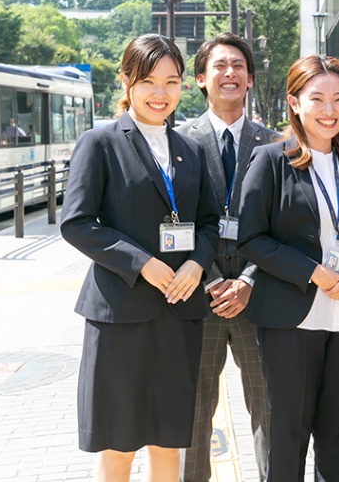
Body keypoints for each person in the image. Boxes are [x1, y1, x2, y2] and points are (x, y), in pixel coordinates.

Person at [61, 34, 221, 482]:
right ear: (126, 81)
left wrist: (196, 263)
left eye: (171, 82)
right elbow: (77, 223)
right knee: (118, 445)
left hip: (178, 313)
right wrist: (141, 263)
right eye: (148, 81)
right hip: (121, 317)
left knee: (169, 443)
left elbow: (210, 222)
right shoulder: (100, 143)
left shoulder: (189, 148)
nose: (160, 94)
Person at [237, 54, 339, 482]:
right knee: (289, 434)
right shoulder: (271, 161)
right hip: (290, 317)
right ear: (294, 103)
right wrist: (313, 272)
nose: (329, 109)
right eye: (317, 98)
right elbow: (251, 239)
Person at [177, 33, 277, 482]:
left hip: (259, 298)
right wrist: (212, 279)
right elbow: (176, 222)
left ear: (250, 79)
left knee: (271, 410)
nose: (230, 73)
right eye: (219, 66)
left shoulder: (275, 145)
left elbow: (285, 224)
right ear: (200, 78)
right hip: (200, 298)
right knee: (193, 414)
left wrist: (249, 280)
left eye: (239, 66)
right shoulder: (177, 142)